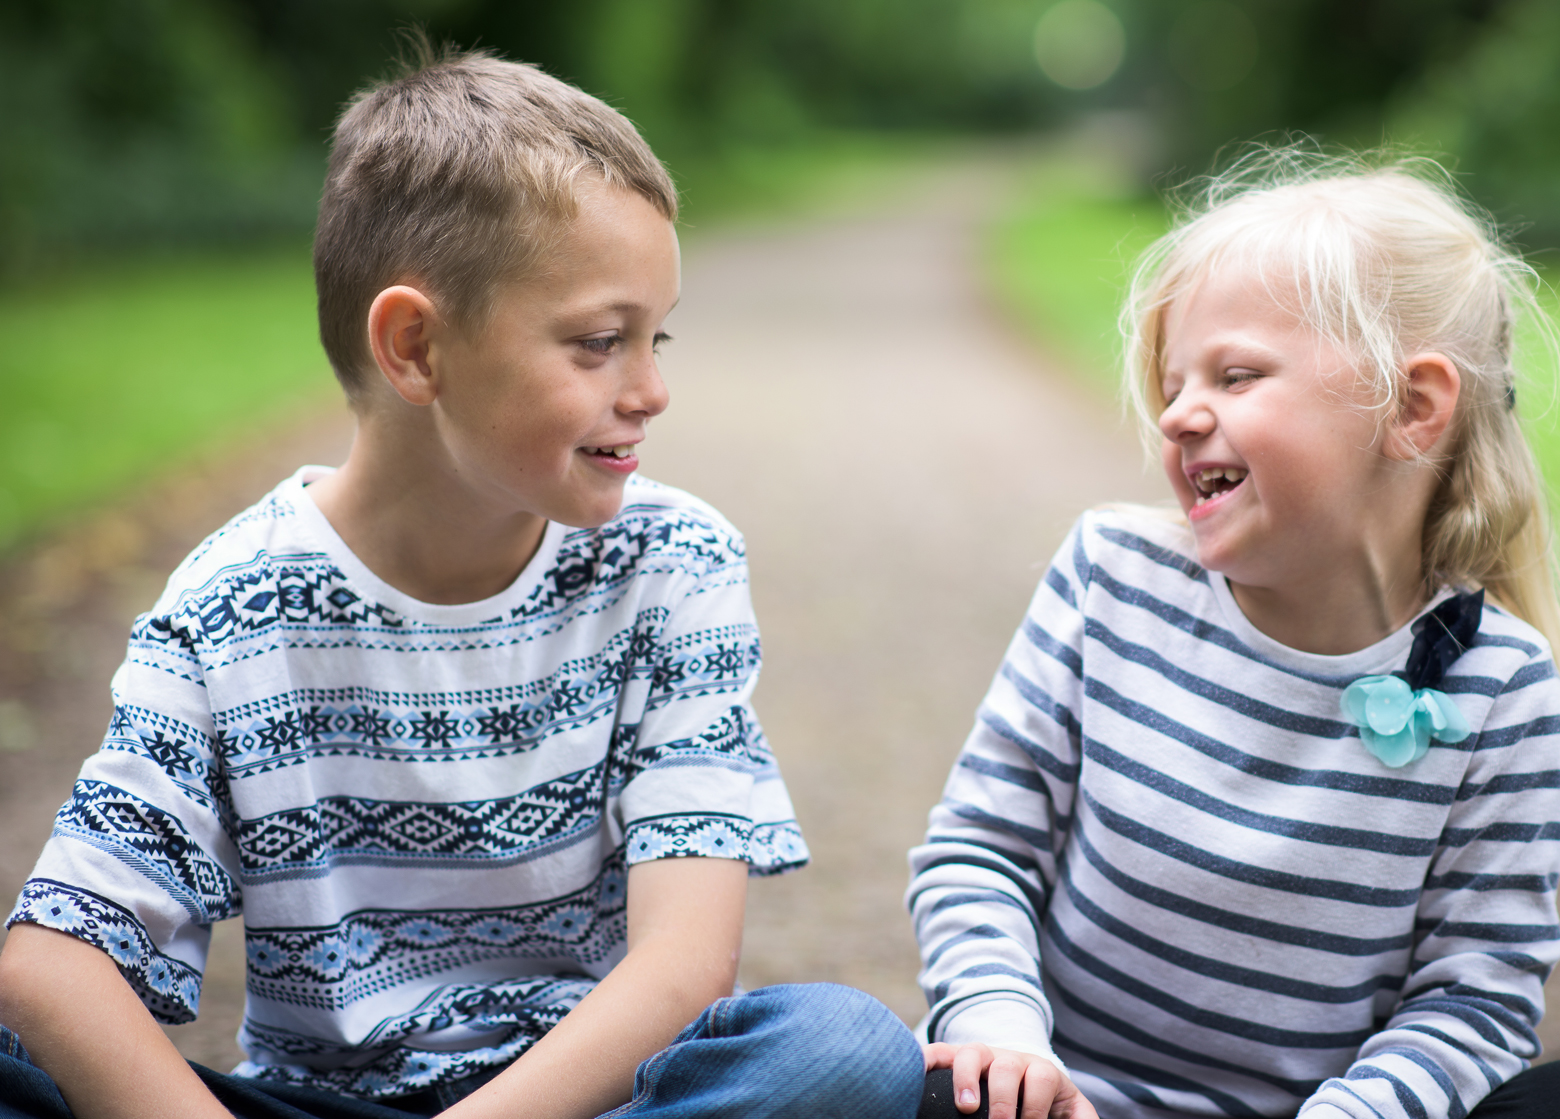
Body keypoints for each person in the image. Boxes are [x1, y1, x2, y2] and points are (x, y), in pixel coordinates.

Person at [0, 44, 923, 1119]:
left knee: (844, 1052)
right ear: (415, 349)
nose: (653, 390)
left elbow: (684, 968)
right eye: (598, 343)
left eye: (654, 339)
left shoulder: (673, 566)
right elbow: (52, 963)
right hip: (321, 1099)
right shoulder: (229, 612)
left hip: (595, 1093)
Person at [906, 152, 1560, 1119]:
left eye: (1237, 374)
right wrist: (1000, 1027)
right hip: (1073, 1104)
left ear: (1412, 407)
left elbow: (1473, 1001)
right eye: (1172, 384)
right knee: (923, 1083)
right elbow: (981, 846)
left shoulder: (1500, 687)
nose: (1177, 414)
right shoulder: (1113, 577)